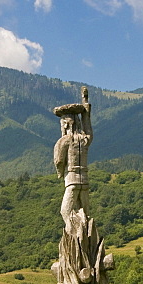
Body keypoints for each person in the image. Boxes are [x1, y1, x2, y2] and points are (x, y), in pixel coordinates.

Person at [53, 89, 92, 232]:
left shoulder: (65, 141)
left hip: (72, 180)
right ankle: (86, 236)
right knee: (85, 213)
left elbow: (58, 161)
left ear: (65, 125)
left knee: (66, 211)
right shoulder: (84, 140)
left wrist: (59, 173)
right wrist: (86, 107)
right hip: (85, 180)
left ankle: (74, 235)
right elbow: (88, 128)